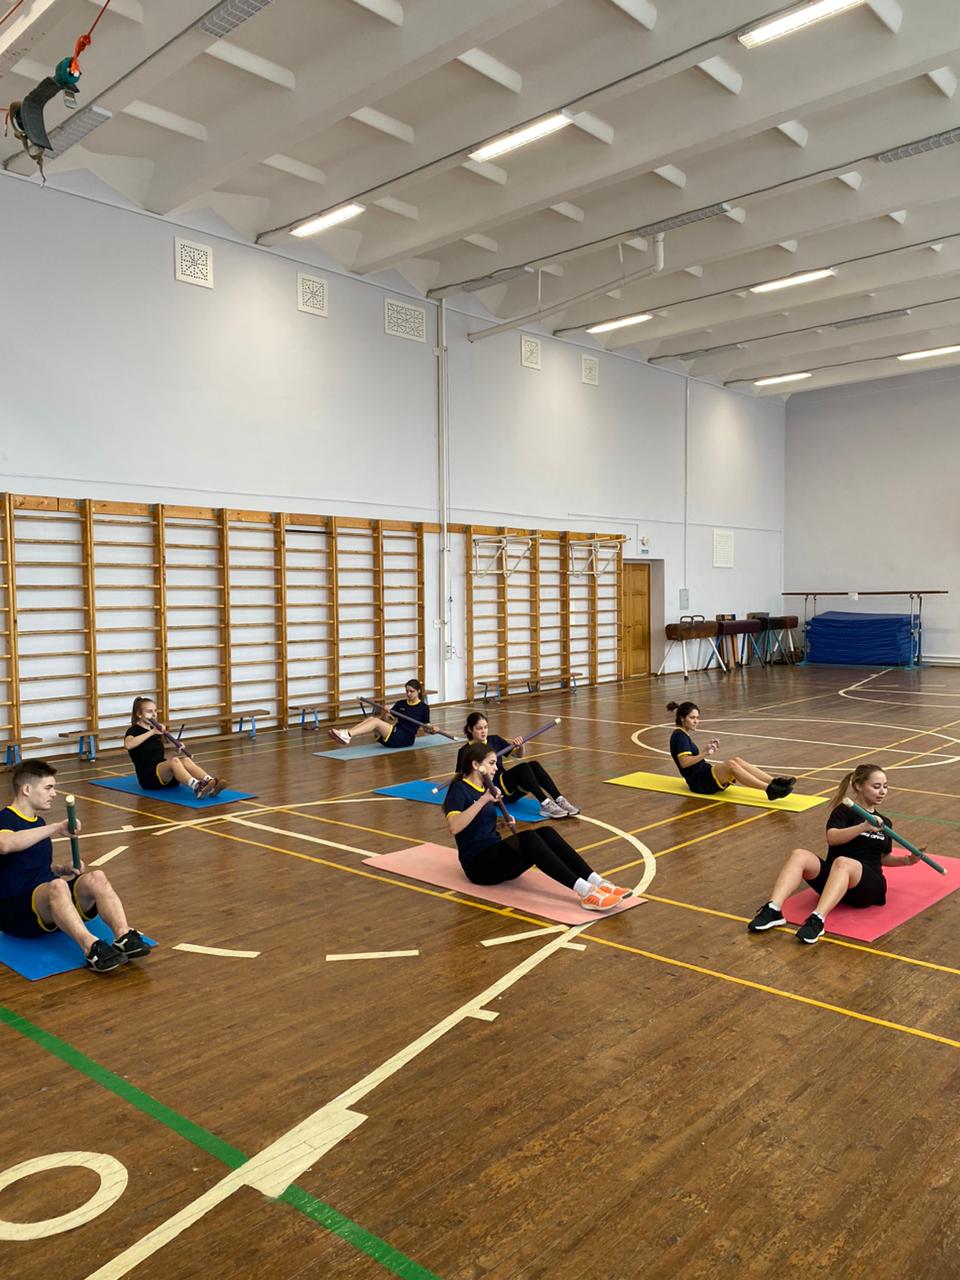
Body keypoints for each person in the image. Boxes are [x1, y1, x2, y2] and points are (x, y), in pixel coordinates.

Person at [0, 759, 149, 973]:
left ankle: (123, 936)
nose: (54, 793)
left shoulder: (38, 823)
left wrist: (62, 869)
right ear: (27, 789)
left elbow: (29, 866)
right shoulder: (5, 819)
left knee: (96, 877)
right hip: (14, 914)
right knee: (58, 886)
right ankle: (91, 948)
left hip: (47, 903)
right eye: (48, 788)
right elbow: (5, 844)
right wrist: (55, 828)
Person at [442, 742, 629, 911]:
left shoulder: (485, 789)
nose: (496, 768)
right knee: (528, 839)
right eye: (491, 763)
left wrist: (502, 824)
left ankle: (598, 882)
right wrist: (484, 800)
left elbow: (478, 826)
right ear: (476, 765)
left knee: (546, 832)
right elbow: (454, 827)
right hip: (478, 867)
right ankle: (586, 892)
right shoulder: (460, 790)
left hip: (495, 857)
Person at [747, 764, 920, 944]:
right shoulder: (844, 811)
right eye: (876, 786)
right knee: (799, 855)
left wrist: (907, 860)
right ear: (859, 786)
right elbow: (832, 838)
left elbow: (883, 857)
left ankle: (817, 919)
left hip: (866, 888)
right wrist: (863, 827)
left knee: (843, 862)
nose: (882, 791)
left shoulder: (885, 822)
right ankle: (773, 909)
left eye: (885, 786)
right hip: (834, 879)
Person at [455, 711, 578, 819]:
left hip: (509, 788)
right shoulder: (465, 751)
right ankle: (545, 803)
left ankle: (559, 799)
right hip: (494, 792)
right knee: (523, 768)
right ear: (470, 729)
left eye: (485, 727)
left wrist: (520, 746)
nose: (483, 731)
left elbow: (518, 755)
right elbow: (461, 779)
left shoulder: (494, 740)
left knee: (533, 765)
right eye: (479, 728)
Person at [667, 701, 796, 801]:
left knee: (736, 760)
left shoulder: (682, 735)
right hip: (700, 781)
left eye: (697, 718)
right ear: (682, 718)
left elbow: (691, 759)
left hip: (703, 774)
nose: (696, 721)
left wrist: (706, 749)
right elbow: (684, 763)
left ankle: (774, 782)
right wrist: (705, 753)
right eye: (692, 718)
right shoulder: (680, 736)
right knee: (731, 765)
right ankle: (770, 789)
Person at [123, 697, 225, 798]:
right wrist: (152, 732)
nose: (154, 714)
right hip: (149, 778)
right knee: (174, 761)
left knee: (185, 760)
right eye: (149, 711)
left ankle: (210, 782)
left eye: (155, 711)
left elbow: (158, 756)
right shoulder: (134, 731)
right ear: (139, 714)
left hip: (164, 774)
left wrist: (176, 750)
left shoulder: (155, 731)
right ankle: (197, 787)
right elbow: (128, 745)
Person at [329, 679, 439, 748]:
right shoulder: (401, 703)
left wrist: (433, 730)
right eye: (407, 691)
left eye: (411, 691)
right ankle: (347, 734)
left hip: (405, 739)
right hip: (394, 735)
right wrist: (385, 713)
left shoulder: (423, 707)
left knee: (375, 722)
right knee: (372, 719)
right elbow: (386, 720)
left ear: (418, 691)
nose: (408, 694)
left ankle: (347, 734)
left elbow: (426, 728)